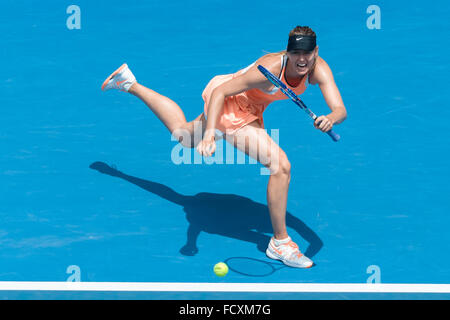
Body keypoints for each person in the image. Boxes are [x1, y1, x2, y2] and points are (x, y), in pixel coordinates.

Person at [101, 26, 347, 268]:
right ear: (288, 51)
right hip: (229, 102)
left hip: (253, 108)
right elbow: (220, 92)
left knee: (183, 136)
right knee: (280, 166)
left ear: (315, 51)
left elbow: (340, 110)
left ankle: (129, 83)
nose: (301, 59)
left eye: (307, 53)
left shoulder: (319, 68)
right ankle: (280, 242)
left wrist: (330, 119)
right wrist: (210, 136)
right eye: (296, 53)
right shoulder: (271, 67)